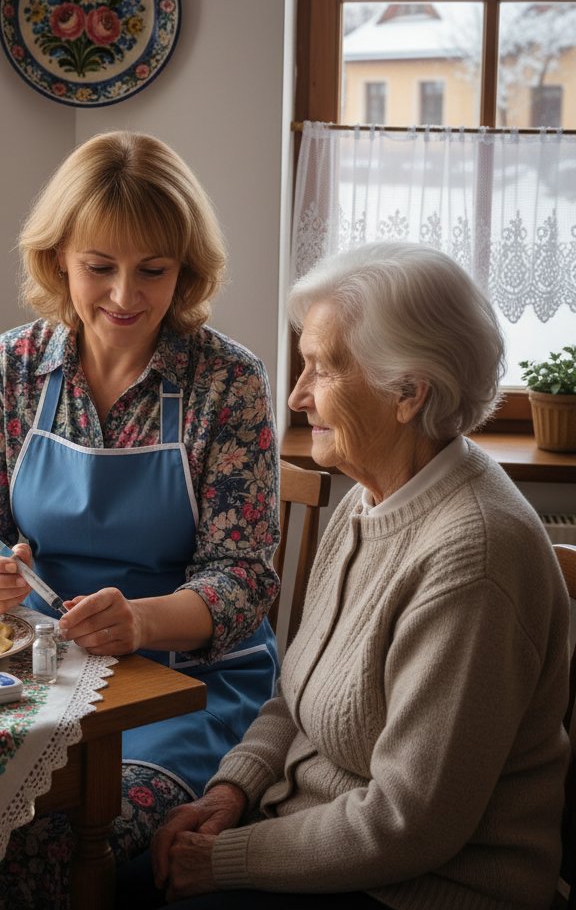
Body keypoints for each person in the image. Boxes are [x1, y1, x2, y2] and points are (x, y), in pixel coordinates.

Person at [130, 241, 571, 910]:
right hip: (316, 840)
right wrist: (229, 793)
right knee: (134, 865)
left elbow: (408, 822)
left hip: (421, 889)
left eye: (322, 369)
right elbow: (296, 696)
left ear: (408, 393)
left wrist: (229, 858)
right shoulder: (370, 498)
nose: (299, 394)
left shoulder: (474, 556)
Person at [0, 131, 281, 899]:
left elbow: (245, 582)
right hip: (36, 674)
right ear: (57, 261)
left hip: (187, 685)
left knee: (45, 841)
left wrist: (141, 623)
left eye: (153, 270)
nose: (124, 296)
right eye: (99, 267)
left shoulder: (228, 383)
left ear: (185, 270)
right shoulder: (15, 365)